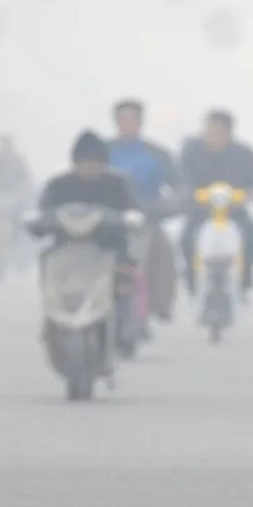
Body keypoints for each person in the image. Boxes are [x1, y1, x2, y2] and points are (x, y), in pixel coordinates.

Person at [34, 130, 144, 348]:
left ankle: (123, 323)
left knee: (124, 273)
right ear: (74, 162)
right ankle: (51, 322)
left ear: (105, 163)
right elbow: (42, 215)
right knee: (46, 262)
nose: (90, 167)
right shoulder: (59, 185)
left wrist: (129, 219)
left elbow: (133, 211)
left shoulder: (118, 184)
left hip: (108, 248)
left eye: (96, 162)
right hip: (65, 249)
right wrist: (38, 222)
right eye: (84, 162)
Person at [107, 99, 181, 324]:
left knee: (164, 255)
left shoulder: (157, 154)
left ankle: (159, 306)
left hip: (146, 218)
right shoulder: (102, 152)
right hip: (109, 219)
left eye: (132, 120)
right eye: (123, 120)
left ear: (140, 122)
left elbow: (178, 186)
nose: (127, 124)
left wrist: (168, 205)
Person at [179, 109, 253, 294]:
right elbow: (181, 178)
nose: (214, 135)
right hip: (200, 212)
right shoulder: (191, 150)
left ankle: (245, 273)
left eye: (220, 131)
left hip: (234, 212)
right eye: (211, 130)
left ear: (229, 132)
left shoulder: (244, 154)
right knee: (186, 239)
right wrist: (186, 194)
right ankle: (191, 274)